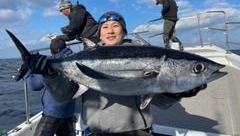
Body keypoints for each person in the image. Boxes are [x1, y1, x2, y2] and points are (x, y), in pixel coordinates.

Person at [26, 11, 206, 136]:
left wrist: (175, 92)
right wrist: (50, 75)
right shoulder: (82, 59)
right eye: (104, 27)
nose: (110, 30)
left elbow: (160, 101)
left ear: (124, 31)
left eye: (115, 26)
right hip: (95, 132)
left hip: (136, 132)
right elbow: (63, 95)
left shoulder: (147, 56)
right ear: (99, 34)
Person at [23, 37, 76, 136]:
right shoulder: (74, 60)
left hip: (53, 112)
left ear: (50, 51)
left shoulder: (51, 63)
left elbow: (35, 85)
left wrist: (26, 72)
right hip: (68, 111)